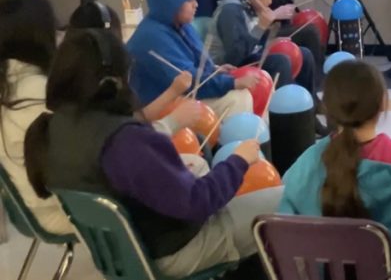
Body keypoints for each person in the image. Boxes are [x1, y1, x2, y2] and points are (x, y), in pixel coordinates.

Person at [23, 28, 281, 278]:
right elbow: (198, 202)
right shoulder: (125, 140)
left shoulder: (51, 129)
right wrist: (239, 161)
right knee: (284, 201)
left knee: (196, 166)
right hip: (173, 252)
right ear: (111, 82)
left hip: (124, 254)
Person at [279, 60, 391, 267]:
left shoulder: (307, 162)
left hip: (322, 272)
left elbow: (287, 219)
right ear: (382, 102)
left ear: (327, 107)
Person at [126, 0, 258, 120]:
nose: (196, 5)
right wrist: (232, 83)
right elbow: (188, 80)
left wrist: (214, 69)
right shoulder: (151, 37)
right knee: (238, 98)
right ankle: (235, 143)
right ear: (171, 4)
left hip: (183, 94)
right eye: (189, 0)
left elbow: (195, 66)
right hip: (159, 106)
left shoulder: (180, 24)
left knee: (246, 90)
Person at [68, 0, 204, 133]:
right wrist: (173, 122)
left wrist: (173, 91)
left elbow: (135, 119)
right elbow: (130, 137)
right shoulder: (106, 87)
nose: (195, 4)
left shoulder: (65, 93)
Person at [0, 0, 74, 235]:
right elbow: (89, 149)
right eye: (54, 26)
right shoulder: (39, 92)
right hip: (60, 209)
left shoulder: (9, 85)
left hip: (29, 206)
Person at [210, 0, 317, 93]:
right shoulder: (231, 11)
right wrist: (260, 26)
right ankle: (281, 109)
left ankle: (309, 103)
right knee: (280, 61)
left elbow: (253, 44)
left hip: (247, 56)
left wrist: (270, 42)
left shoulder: (250, 8)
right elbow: (235, 56)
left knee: (304, 54)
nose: (270, 1)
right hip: (227, 66)